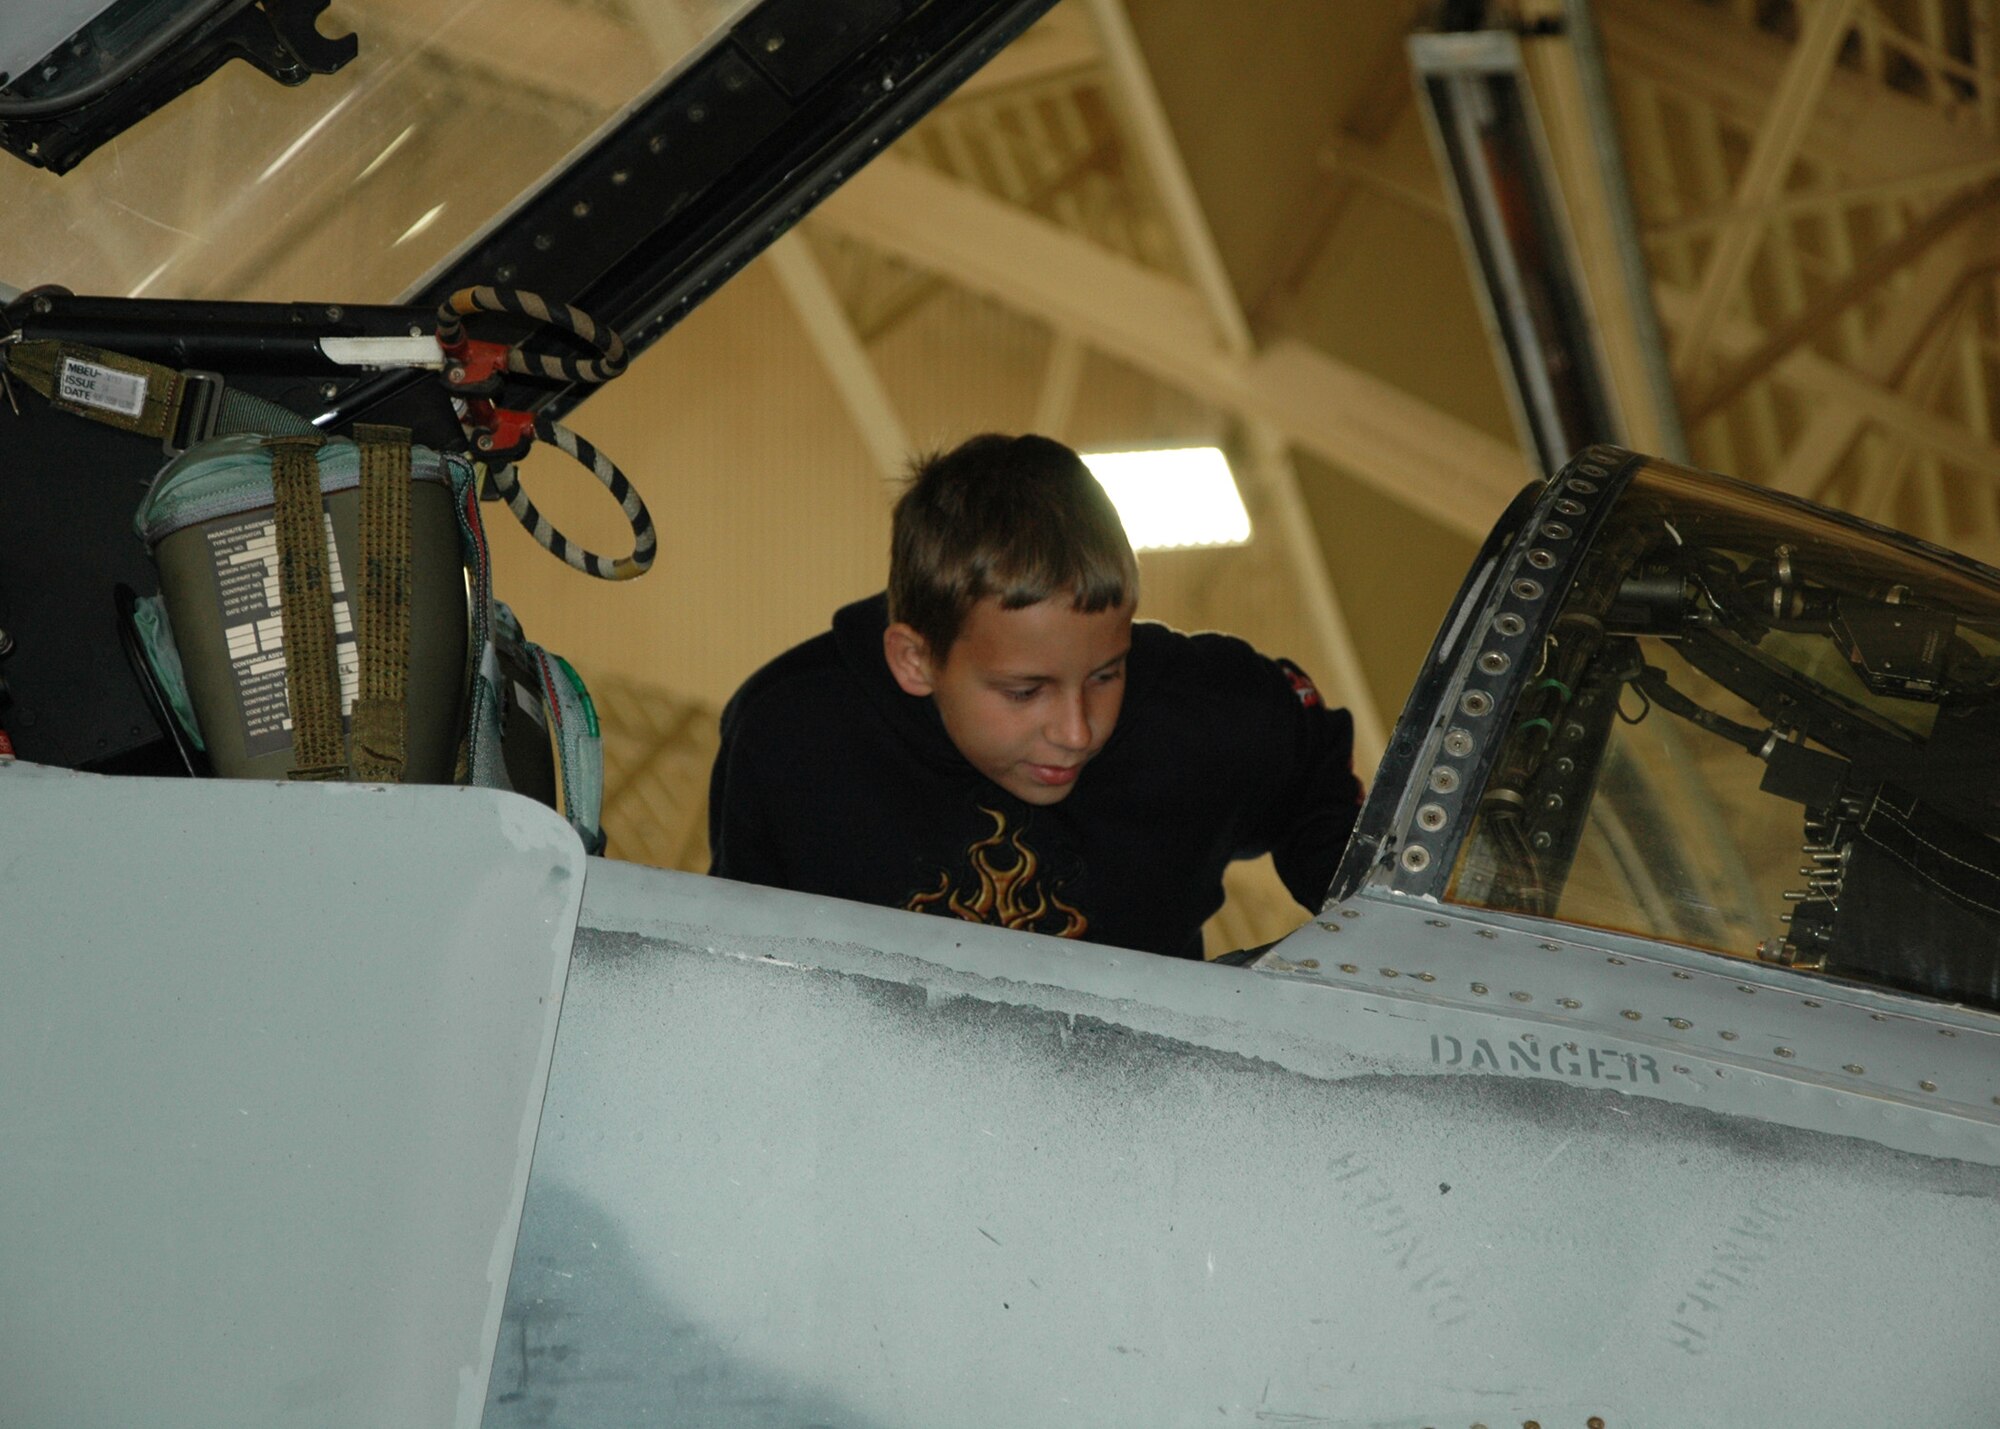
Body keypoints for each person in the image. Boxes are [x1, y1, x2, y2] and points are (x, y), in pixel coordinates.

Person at [707, 432, 1364, 959]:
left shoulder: (1204, 714)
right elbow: (736, 964)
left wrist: (1358, 921)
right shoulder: (793, 740)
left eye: (1107, 673)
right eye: (1026, 692)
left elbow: (1313, 772)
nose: (1076, 731)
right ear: (915, 659)